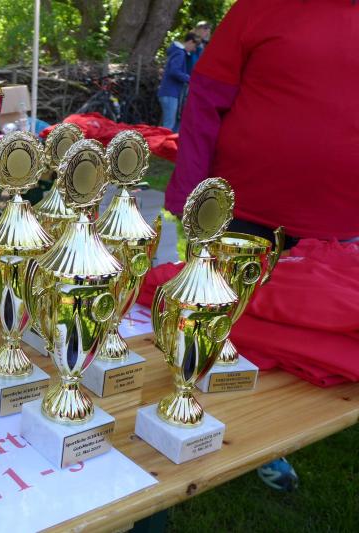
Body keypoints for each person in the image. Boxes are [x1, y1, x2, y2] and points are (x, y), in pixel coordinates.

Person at [165, 0, 359, 490]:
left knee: (310, 348)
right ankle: (195, 423)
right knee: (216, 334)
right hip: (242, 216)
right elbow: (205, 100)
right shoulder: (257, 8)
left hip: (339, 229)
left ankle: (272, 439)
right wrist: (189, 194)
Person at [157, 32, 199, 132]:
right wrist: (189, 79)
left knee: (169, 123)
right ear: (190, 42)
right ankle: (162, 142)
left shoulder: (177, 52)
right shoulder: (180, 53)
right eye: (194, 46)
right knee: (168, 126)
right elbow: (174, 71)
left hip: (169, 92)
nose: (194, 49)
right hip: (170, 92)